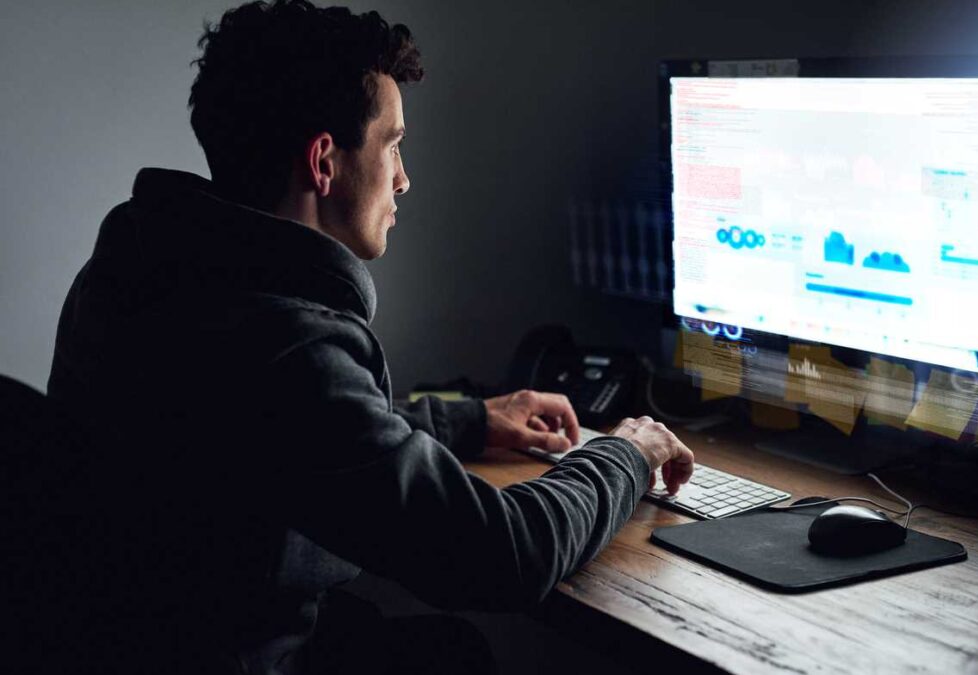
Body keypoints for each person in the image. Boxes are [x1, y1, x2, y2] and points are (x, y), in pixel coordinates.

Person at [45, 1, 694, 673]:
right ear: (324, 162)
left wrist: (467, 420)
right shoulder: (286, 344)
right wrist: (626, 452)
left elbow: (290, 437)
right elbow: (503, 555)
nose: (404, 177)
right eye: (391, 144)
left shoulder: (140, 270)